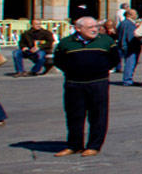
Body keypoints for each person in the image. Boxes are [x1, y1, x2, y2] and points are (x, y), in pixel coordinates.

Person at [48, 17, 115, 156]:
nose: (94, 29)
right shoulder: (66, 43)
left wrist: (100, 70)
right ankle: (74, 145)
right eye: (90, 27)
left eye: (95, 26)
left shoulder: (106, 41)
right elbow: (59, 61)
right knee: (74, 115)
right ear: (78, 28)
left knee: (98, 115)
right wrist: (73, 71)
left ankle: (94, 145)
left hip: (98, 83)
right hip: (74, 84)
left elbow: (114, 59)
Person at [114, 9, 141, 85]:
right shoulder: (128, 24)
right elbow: (130, 36)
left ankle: (128, 79)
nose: (137, 15)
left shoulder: (122, 23)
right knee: (130, 63)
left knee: (130, 63)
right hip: (130, 47)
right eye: (135, 14)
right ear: (130, 15)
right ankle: (127, 80)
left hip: (127, 46)